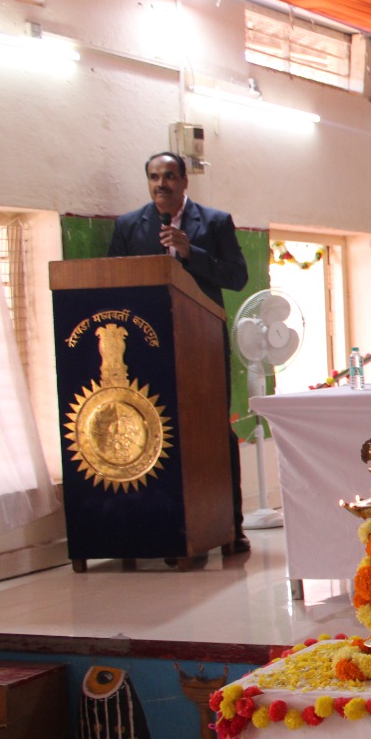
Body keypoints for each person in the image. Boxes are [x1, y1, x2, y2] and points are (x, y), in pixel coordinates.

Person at [108, 151, 250, 553]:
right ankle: (161, 528)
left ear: (185, 181)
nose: (161, 184)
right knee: (154, 429)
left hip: (202, 345)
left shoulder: (215, 222)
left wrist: (192, 253)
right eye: (154, 177)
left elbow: (237, 276)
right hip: (147, 347)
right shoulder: (128, 226)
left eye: (170, 176)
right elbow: (114, 279)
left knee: (212, 428)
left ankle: (229, 527)